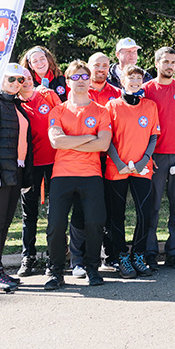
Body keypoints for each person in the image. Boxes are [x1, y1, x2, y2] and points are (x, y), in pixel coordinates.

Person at [45, 60, 112, 289]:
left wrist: (70, 141)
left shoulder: (101, 111)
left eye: (84, 77)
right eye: (75, 77)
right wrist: (88, 137)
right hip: (61, 175)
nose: (81, 81)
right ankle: (56, 272)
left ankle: (92, 268)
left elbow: (103, 145)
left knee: (95, 223)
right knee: (56, 225)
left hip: (91, 175)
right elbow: (56, 141)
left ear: (90, 80)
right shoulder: (58, 110)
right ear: (68, 81)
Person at [103, 65, 160, 278]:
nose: (135, 82)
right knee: (117, 215)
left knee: (145, 213)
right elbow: (107, 138)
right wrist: (118, 163)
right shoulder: (112, 106)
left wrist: (144, 160)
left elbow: (153, 136)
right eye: (131, 78)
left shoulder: (150, 106)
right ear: (122, 81)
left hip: (142, 167)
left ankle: (138, 254)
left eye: (138, 78)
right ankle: (122, 257)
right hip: (117, 167)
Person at [143, 47, 175, 271]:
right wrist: (146, 156)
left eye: (173, 62)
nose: (170, 66)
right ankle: (150, 252)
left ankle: (174, 252)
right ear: (156, 63)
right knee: (152, 206)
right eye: (165, 62)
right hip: (155, 157)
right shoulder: (146, 89)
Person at [0, 63, 32, 290]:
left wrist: (25, 179)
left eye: (20, 80)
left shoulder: (16, 105)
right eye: (11, 79)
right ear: (1, 80)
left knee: (5, 221)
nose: (16, 83)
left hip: (15, 171)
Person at [16, 67, 60, 277]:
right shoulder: (15, 104)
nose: (26, 82)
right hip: (30, 166)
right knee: (29, 213)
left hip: (55, 162)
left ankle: (55, 256)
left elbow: (63, 116)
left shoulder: (47, 95)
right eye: (21, 79)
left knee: (56, 212)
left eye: (28, 78)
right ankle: (28, 256)